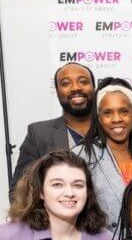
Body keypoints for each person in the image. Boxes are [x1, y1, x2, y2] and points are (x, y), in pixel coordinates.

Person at [73, 77, 132, 234]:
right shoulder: (81, 157)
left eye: (124, 111)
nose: (117, 119)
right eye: (108, 113)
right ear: (99, 118)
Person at [11, 62, 96, 192]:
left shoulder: (113, 130)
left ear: (94, 88)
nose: (75, 88)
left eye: (83, 82)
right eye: (66, 83)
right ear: (57, 92)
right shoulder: (39, 134)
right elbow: (18, 191)